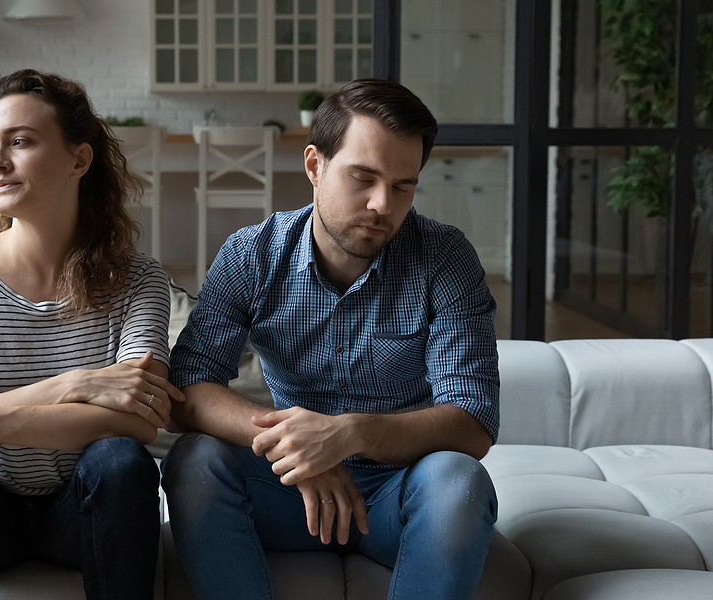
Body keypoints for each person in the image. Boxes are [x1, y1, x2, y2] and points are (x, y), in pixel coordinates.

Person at [162, 78, 499, 600]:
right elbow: (188, 388)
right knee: (193, 460)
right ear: (314, 165)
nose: (383, 204)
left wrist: (347, 434)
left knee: (460, 480)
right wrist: (299, 451)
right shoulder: (252, 254)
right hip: (290, 495)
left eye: (403, 185)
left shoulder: (445, 258)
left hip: (399, 497)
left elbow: (474, 421)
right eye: (363, 177)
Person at [0, 69, 184, 600]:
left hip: (83, 512)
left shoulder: (139, 279)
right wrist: (72, 385)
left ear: (80, 159)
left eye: (20, 142)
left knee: (118, 460)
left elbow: (138, 421)